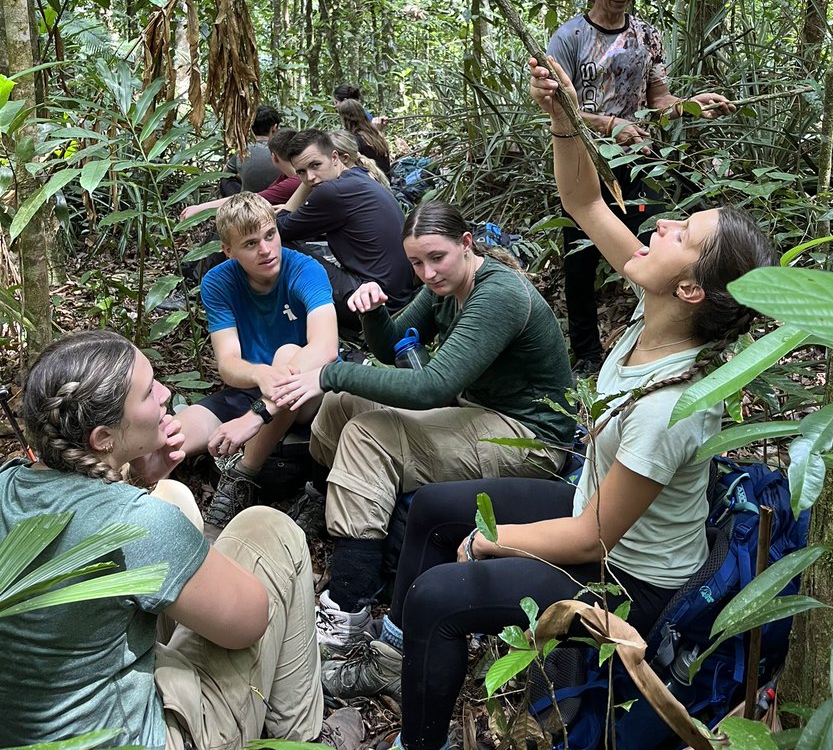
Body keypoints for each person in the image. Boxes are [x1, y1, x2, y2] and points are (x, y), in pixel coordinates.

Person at [315, 56, 776, 746]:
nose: (663, 226)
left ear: (690, 289)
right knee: (434, 512)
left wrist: (491, 542)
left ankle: (420, 738)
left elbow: (593, 538)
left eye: (684, 235)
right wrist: (562, 115)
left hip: (631, 579)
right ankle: (393, 656)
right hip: (591, 505)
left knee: (440, 594)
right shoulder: (658, 310)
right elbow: (585, 203)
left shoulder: (672, 405)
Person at [0, 328, 362, 750]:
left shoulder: (8, 482)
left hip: (41, 731)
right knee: (270, 528)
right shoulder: (135, 523)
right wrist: (164, 526)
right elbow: (249, 625)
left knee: (173, 494)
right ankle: (304, 739)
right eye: (148, 392)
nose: (165, 393)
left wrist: (139, 480)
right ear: (103, 438)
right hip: (136, 738)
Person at [269, 199, 576, 654]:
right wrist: (373, 312)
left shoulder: (498, 294)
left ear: (466, 244)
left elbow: (432, 386)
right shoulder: (444, 288)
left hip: (528, 437)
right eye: (416, 263)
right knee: (340, 405)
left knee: (369, 435)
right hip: (475, 412)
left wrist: (329, 372)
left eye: (436, 258)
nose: (427, 273)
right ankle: (325, 507)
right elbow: (394, 346)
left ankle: (348, 607)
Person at [548, 0, 735, 367]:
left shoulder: (646, 36)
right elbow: (559, 108)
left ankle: (655, 341)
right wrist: (610, 124)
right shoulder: (569, 37)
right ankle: (586, 354)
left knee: (649, 249)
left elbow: (659, 99)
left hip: (638, 161)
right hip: (584, 162)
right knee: (581, 258)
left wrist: (692, 105)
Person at [175, 191, 339, 528]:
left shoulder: (305, 270)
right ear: (229, 251)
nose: (265, 250)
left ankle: (242, 475)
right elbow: (228, 363)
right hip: (250, 389)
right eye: (250, 244)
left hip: (306, 394)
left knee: (287, 354)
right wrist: (260, 374)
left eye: (270, 235)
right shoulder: (218, 281)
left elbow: (325, 348)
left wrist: (257, 412)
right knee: (171, 437)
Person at [276, 129, 415, 327]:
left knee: (275, 243)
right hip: (397, 295)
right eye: (301, 172)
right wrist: (313, 176)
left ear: (335, 157)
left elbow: (279, 228)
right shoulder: (359, 175)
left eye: (315, 165)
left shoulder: (332, 191)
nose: (310, 177)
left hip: (374, 302)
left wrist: (305, 186)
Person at [180, 127, 305, 223]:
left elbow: (251, 200)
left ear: (274, 157)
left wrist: (200, 209)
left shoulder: (296, 181)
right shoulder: (287, 176)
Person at [219, 103, 283, 196]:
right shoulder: (281, 149)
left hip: (248, 198)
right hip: (277, 196)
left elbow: (226, 173)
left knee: (225, 179)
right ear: (274, 128)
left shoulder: (242, 150)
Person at [336, 97, 392, 176]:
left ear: (344, 118)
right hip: (385, 177)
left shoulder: (354, 140)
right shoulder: (374, 134)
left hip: (375, 179)